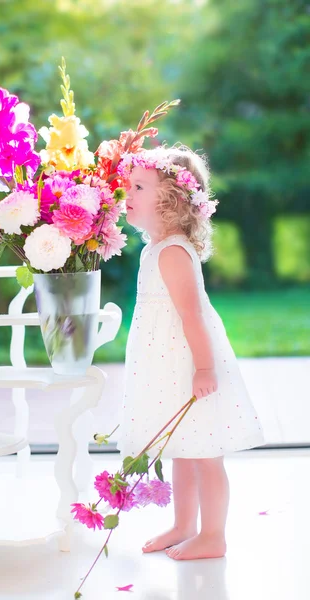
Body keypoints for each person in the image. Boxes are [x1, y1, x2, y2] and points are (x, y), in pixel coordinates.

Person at [116, 144, 264, 561]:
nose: (127, 192)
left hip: (186, 365)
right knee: (181, 448)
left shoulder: (174, 252)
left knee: (204, 453)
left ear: (171, 199)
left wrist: (203, 368)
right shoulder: (153, 249)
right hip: (165, 366)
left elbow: (192, 316)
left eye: (139, 186)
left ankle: (213, 535)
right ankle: (185, 525)